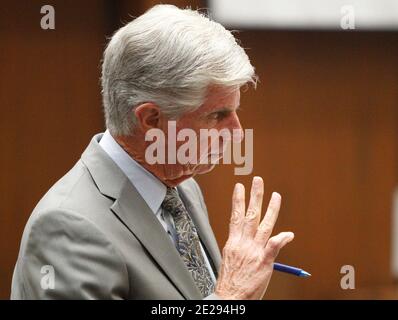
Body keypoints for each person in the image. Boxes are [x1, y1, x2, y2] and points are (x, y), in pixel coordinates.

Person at [11, 4, 294, 300]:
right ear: (152, 121)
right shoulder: (68, 228)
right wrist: (230, 298)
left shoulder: (182, 187)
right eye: (217, 115)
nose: (237, 133)